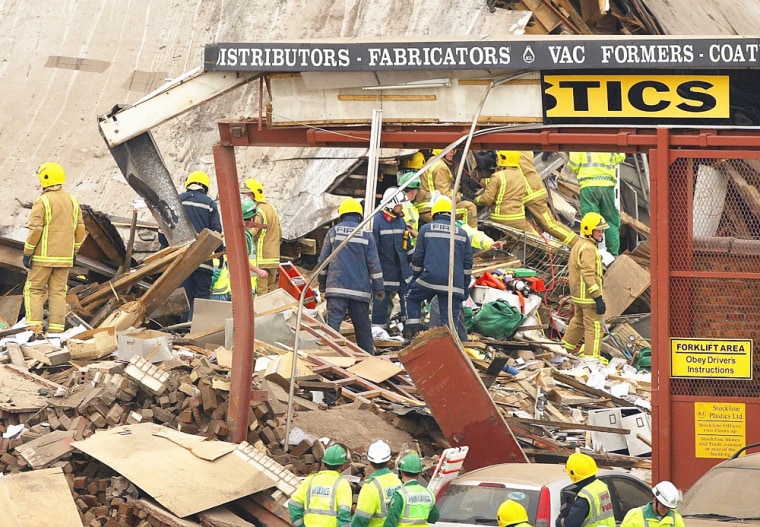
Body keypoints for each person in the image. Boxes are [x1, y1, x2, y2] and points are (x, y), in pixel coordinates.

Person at [23, 162, 86, 334]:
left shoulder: (42, 201)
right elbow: (81, 229)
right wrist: (74, 250)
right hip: (64, 258)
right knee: (58, 292)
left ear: (45, 179)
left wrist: (28, 252)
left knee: (34, 290)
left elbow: (36, 230)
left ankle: (35, 330)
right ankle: (56, 332)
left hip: (43, 257)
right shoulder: (73, 200)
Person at [318, 197, 384, 354]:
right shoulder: (367, 236)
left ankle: (330, 356)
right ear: (359, 216)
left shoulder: (333, 233)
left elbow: (323, 262)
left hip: (336, 288)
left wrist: (322, 283)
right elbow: (374, 265)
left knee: (333, 327)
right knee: (363, 328)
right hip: (359, 292)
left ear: (341, 215)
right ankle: (368, 357)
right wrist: (379, 287)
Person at [404, 197, 473, 340]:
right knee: (449, 323)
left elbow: (418, 260)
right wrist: (464, 289)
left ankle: (414, 333)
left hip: (430, 279)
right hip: (454, 284)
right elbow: (467, 266)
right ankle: (449, 349)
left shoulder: (426, 229)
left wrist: (415, 280)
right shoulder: (462, 233)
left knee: (411, 297)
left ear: (434, 214)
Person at [176, 170, 223, 320]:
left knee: (184, 298)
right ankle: (198, 331)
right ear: (205, 186)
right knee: (202, 298)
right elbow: (216, 233)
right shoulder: (209, 204)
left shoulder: (178, 201)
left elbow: (164, 231)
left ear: (188, 184)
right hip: (203, 260)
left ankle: (182, 331)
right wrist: (219, 253)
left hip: (181, 260)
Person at [561, 212, 608, 361]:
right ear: (589, 230)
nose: (601, 234)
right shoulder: (588, 248)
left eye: (602, 231)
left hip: (579, 296)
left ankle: (563, 350)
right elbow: (588, 275)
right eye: (598, 231)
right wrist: (598, 298)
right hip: (588, 298)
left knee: (578, 322)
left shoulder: (579, 244)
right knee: (594, 328)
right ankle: (592, 359)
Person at [566, 152, 626, 256]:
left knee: (591, 222)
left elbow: (573, 164)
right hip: (607, 186)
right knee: (610, 222)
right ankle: (613, 256)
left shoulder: (578, 136)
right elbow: (621, 156)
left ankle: (590, 254)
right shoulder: (610, 135)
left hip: (588, 186)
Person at [514, 151, 578, 247]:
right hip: (535, 188)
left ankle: (576, 243)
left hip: (532, 193)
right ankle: (571, 243)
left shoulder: (508, 154)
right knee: (548, 224)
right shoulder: (524, 150)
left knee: (549, 224)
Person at [372, 187, 412, 334]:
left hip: (402, 272)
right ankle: (378, 333)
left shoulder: (400, 221)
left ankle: (409, 331)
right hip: (385, 273)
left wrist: (413, 260)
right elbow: (373, 251)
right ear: (390, 203)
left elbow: (406, 246)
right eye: (399, 205)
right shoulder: (376, 222)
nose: (401, 207)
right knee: (381, 306)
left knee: (408, 302)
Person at [288, 444, 353, 527]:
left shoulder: (310, 480)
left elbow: (293, 504)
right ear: (343, 466)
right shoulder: (342, 484)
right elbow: (344, 514)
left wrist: (301, 525)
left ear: (323, 463)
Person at [475, 152, 538, 236]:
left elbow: (487, 200)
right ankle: (552, 248)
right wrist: (485, 182)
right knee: (535, 238)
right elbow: (509, 183)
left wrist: (476, 199)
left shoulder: (497, 176)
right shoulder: (521, 177)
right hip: (518, 219)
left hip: (498, 219)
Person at [242, 177, 282, 294]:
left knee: (261, 294)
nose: (244, 197)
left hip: (261, 259)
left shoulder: (257, 211)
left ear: (253, 194)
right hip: (273, 259)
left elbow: (252, 230)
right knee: (270, 293)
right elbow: (279, 232)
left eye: (246, 194)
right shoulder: (272, 208)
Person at [422, 149, 478, 228]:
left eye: (453, 150)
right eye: (449, 150)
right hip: (432, 209)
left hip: (426, 207)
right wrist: (460, 197)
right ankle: (471, 238)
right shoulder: (441, 168)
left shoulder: (433, 161)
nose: (452, 152)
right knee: (469, 207)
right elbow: (444, 195)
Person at [556, 452, 614, 527]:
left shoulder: (584, 496)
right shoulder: (602, 485)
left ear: (573, 474)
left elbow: (571, 523)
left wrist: (558, 521)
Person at [352, 440, 402, 527]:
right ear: (389, 460)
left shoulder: (370, 486)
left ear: (369, 461)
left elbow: (361, 519)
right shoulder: (397, 481)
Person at [383, 452, 439, 527]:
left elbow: (390, 523)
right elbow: (434, 518)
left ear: (401, 472)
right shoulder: (429, 494)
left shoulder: (400, 495)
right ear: (419, 473)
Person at [242, 197, 269, 295]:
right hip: (244, 285)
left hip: (246, 284)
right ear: (252, 218)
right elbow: (242, 260)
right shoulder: (244, 236)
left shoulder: (242, 234)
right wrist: (259, 271)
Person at [397, 170, 421, 255]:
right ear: (414, 191)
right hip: (409, 250)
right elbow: (412, 234)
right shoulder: (411, 209)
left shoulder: (393, 205)